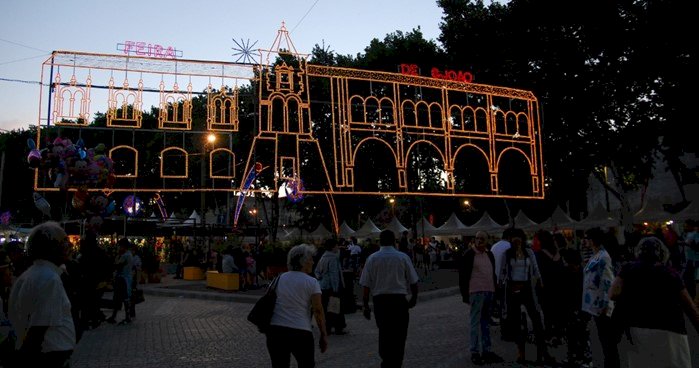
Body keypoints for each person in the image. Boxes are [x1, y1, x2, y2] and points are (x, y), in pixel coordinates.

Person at [609, 236, 699, 367]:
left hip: (637, 330)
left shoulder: (628, 269)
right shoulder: (671, 274)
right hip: (671, 333)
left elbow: (613, 294)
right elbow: (689, 307)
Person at [8, 221, 75, 367]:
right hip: (48, 357)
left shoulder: (34, 274)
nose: (70, 246)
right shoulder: (49, 278)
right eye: (64, 242)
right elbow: (38, 329)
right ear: (51, 247)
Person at [360, 230, 419, 368]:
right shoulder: (402, 257)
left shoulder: (372, 259)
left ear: (380, 241)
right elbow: (413, 281)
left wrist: (365, 305)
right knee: (399, 334)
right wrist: (414, 298)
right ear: (394, 241)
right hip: (399, 301)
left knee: (384, 333)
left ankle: (386, 361)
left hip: (380, 302)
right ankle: (397, 362)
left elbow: (366, 285)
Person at [266, 244, 327, 368]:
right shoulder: (312, 282)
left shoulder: (278, 279)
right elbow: (318, 310)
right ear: (303, 261)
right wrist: (323, 334)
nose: (313, 262)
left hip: (276, 331)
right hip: (300, 331)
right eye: (310, 259)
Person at [498, 228, 554, 365]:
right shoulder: (507, 254)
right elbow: (502, 272)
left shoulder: (529, 252)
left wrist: (540, 282)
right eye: (514, 237)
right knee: (516, 322)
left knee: (536, 319)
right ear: (510, 239)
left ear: (522, 239)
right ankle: (521, 352)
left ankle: (543, 351)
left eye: (519, 237)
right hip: (513, 289)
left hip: (527, 288)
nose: (516, 240)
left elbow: (535, 268)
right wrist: (503, 286)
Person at [458, 231, 504, 365]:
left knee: (485, 323)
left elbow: (492, 273)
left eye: (482, 239)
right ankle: (474, 351)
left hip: (489, 291)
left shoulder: (489, 254)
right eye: (477, 238)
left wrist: (495, 291)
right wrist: (465, 295)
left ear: (487, 240)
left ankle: (487, 350)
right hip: (476, 292)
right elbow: (463, 276)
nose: (479, 241)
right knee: (475, 323)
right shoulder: (469, 254)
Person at [582, 227, 619, 368]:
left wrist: (606, 305)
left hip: (600, 305)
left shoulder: (602, 257)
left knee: (606, 340)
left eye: (587, 238)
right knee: (602, 339)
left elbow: (608, 282)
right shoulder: (596, 255)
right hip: (594, 303)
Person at [314, 239, 347, 335]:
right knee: (335, 307)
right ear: (333, 247)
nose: (338, 247)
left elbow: (317, 271)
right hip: (332, 287)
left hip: (323, 286)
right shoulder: (333, 258)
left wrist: (320, 277)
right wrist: (336, 288)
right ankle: (338, 327)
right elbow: (334, 275)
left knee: (326, 307)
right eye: (336, 245)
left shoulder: (323, 257)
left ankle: (327, 327)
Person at [106, 238, 134, 325]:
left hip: (123, 279)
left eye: (119, 246)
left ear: (123, 246)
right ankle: (115, 316)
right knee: (119, 297)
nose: (118, 247)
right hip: (125, 278)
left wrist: (116, 257)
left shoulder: (125, 255)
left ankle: (127, 317)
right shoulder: (129, 254)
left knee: (123, 298)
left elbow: (117, 266)